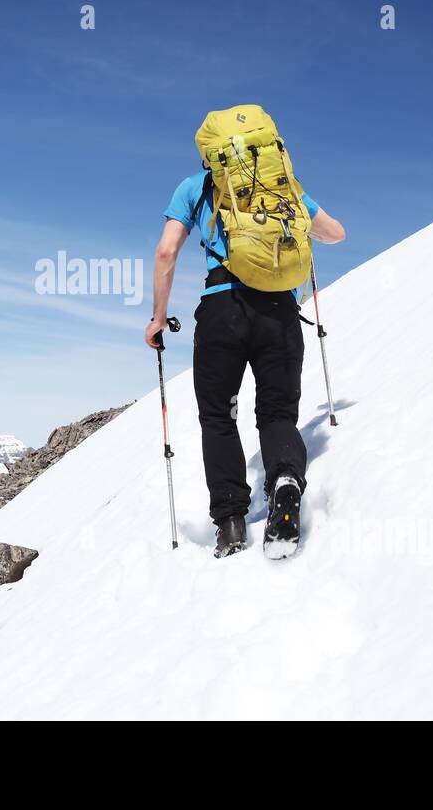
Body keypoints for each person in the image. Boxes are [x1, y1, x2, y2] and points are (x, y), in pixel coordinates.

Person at [145, 141, 345, 559]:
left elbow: (166, 251)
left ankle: (232, 523)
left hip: (222, 310)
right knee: (276, 412)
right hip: (279, 311)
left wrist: (158, 317)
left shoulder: (194, 187)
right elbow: (336, 233)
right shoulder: (281, 187)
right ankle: (286, 479)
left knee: (218, 415)